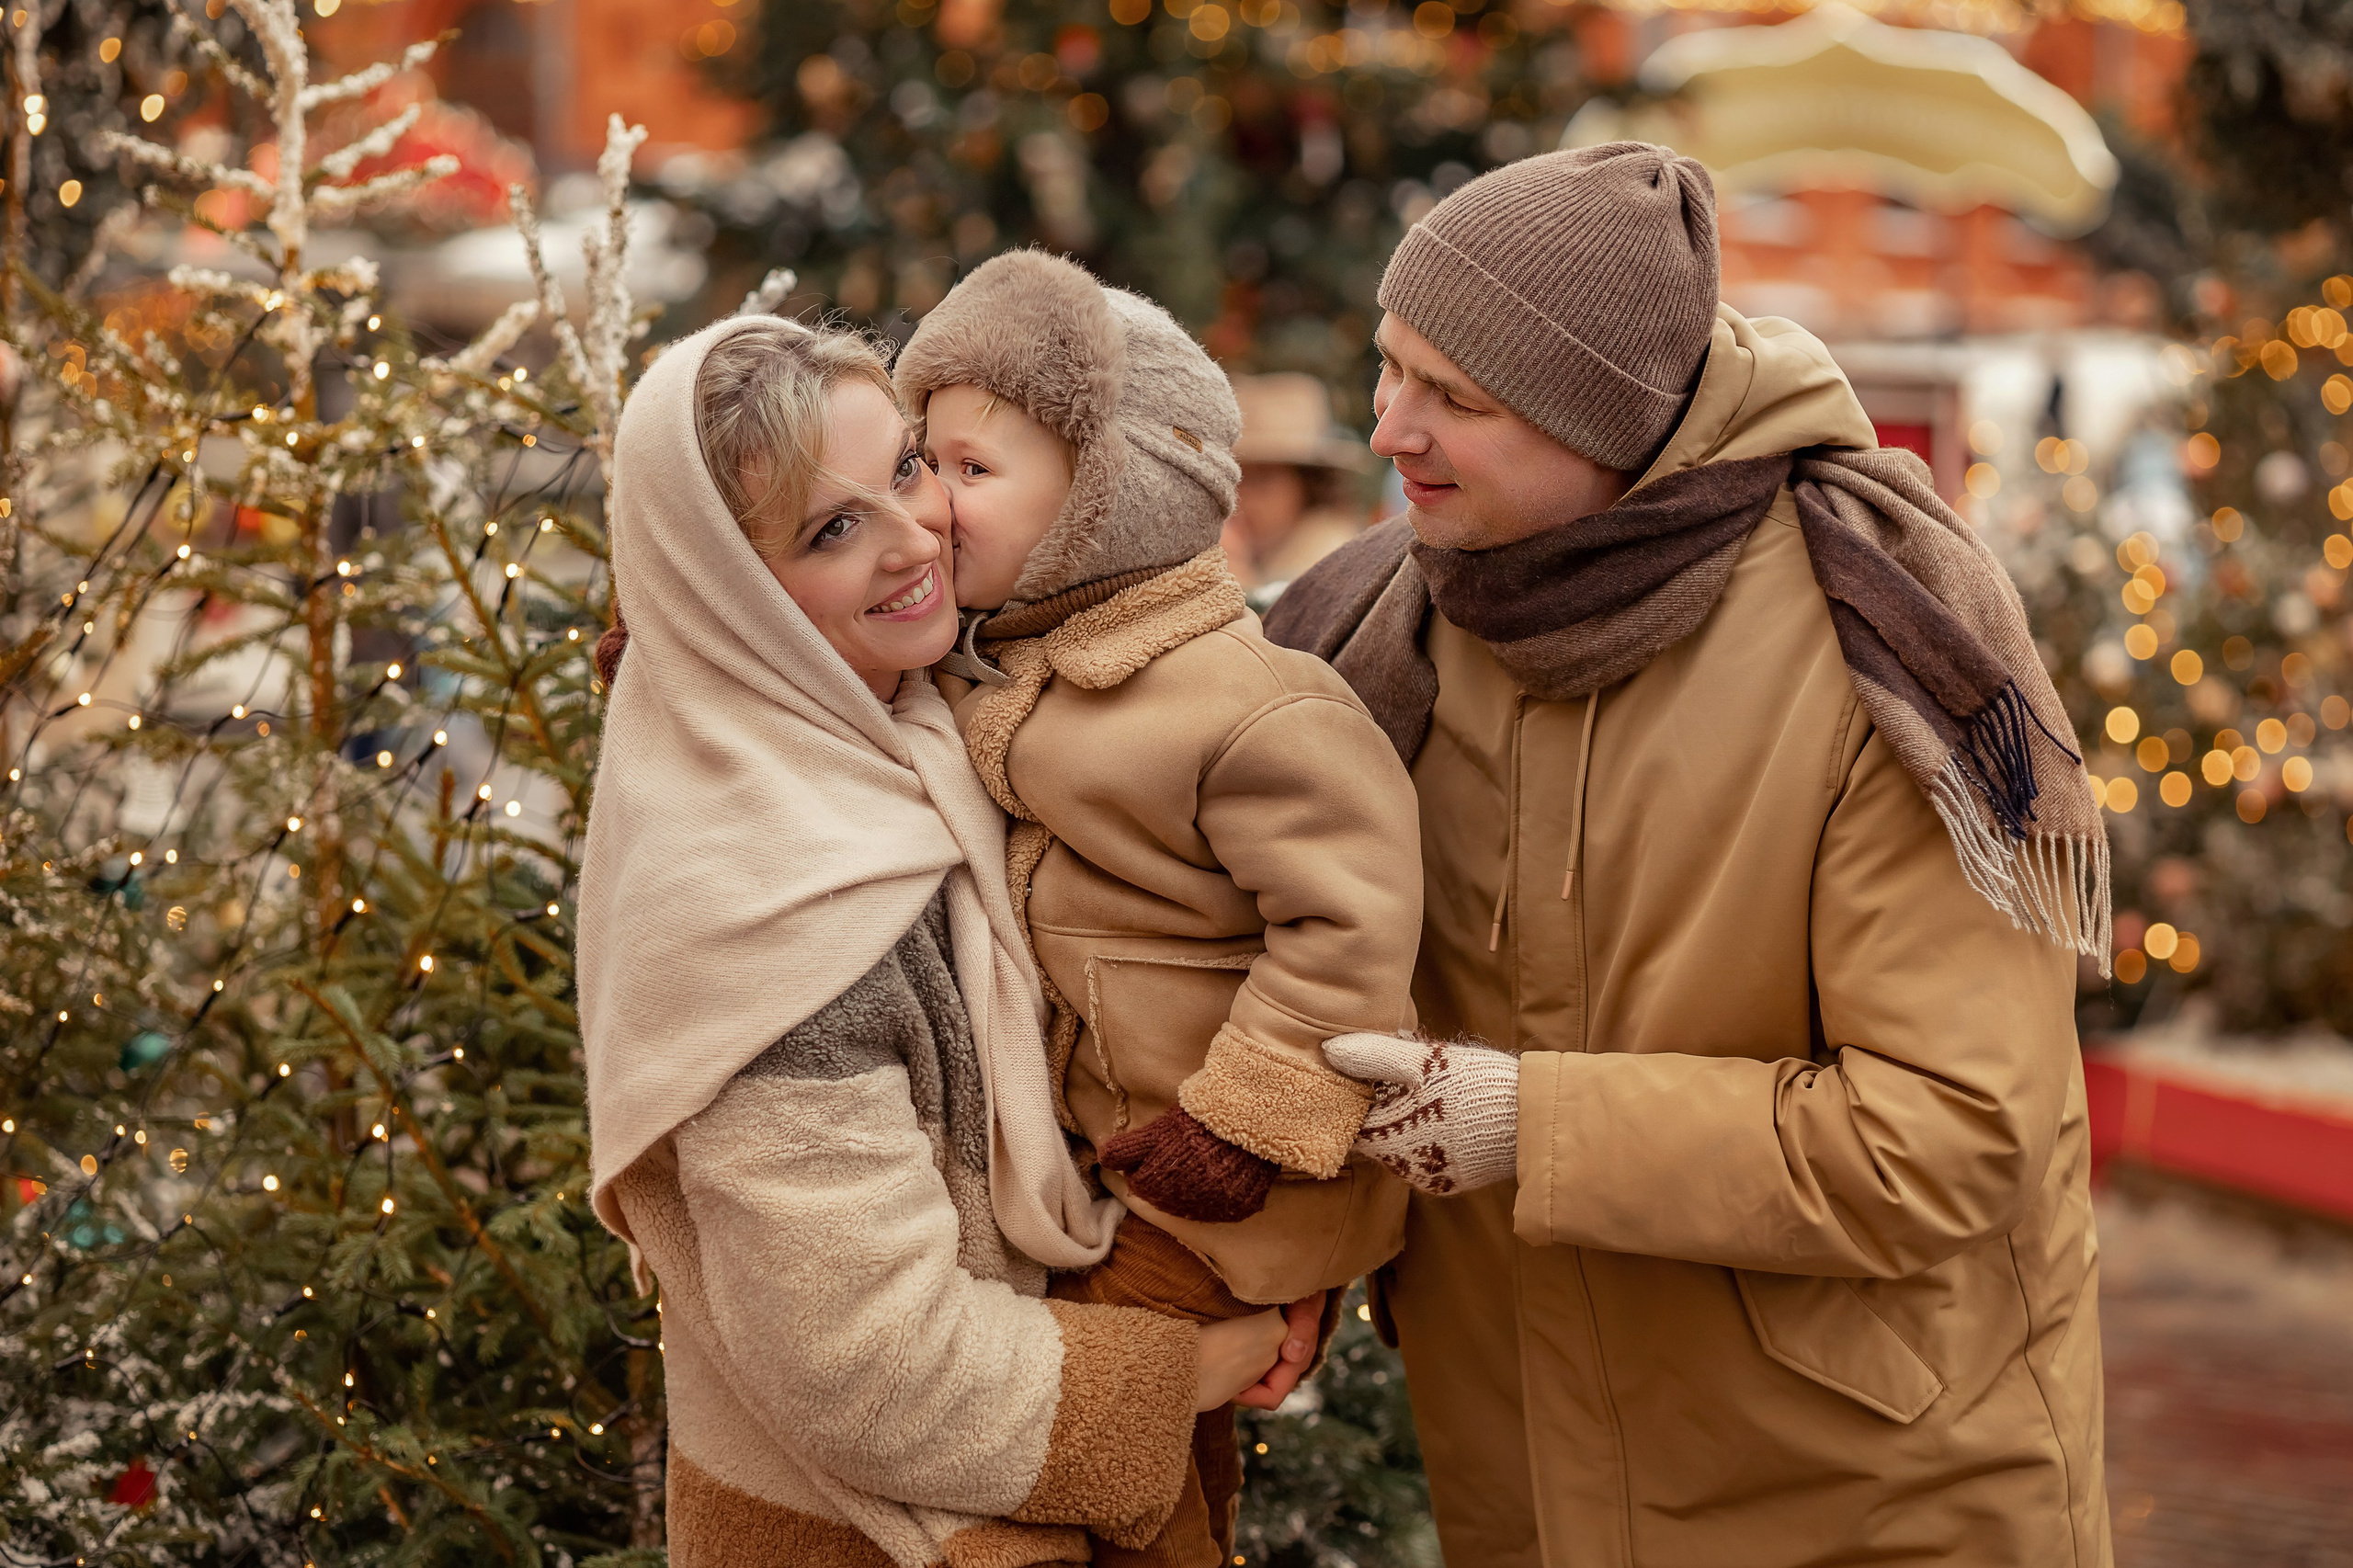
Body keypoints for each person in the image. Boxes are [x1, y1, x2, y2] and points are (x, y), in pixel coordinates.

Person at [1267, 144, 2112, 1568]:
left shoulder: (1877, 654)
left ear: (1607, 422)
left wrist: (1529, 1124)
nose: (1389, 431)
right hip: (1527, 1473)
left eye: (1455, 398)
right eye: (1388, 366)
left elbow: (1951, 1137)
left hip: (1863, 1495)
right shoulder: (1391, 625)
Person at [576, 314, 1322, 1568]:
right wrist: (1196, 1357)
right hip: (871, 1532)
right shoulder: (764, 904)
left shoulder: (918, 720)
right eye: (831, 529)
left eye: (910, 467)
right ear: (729, 593)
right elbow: (872, 1369)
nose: (918, 536)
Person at [895, 249, 1423, 1568]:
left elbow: (1351, 922)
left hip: (1223, 1176)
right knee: (1156, 1453)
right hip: (1110, 1163)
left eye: (973, 470)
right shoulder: (1003, 665)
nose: (931, 505)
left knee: (1090, 1448)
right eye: (923, 462)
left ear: (1101, 499)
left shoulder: (1241, 700)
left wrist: (1244, 1121)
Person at [1219, 371, 1372, 595]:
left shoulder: (1330, 551)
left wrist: (1237, 576)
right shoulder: (1268, 544)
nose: (1243, 496)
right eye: (1234, 478)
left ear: (1307, 483)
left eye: (1262, 480)